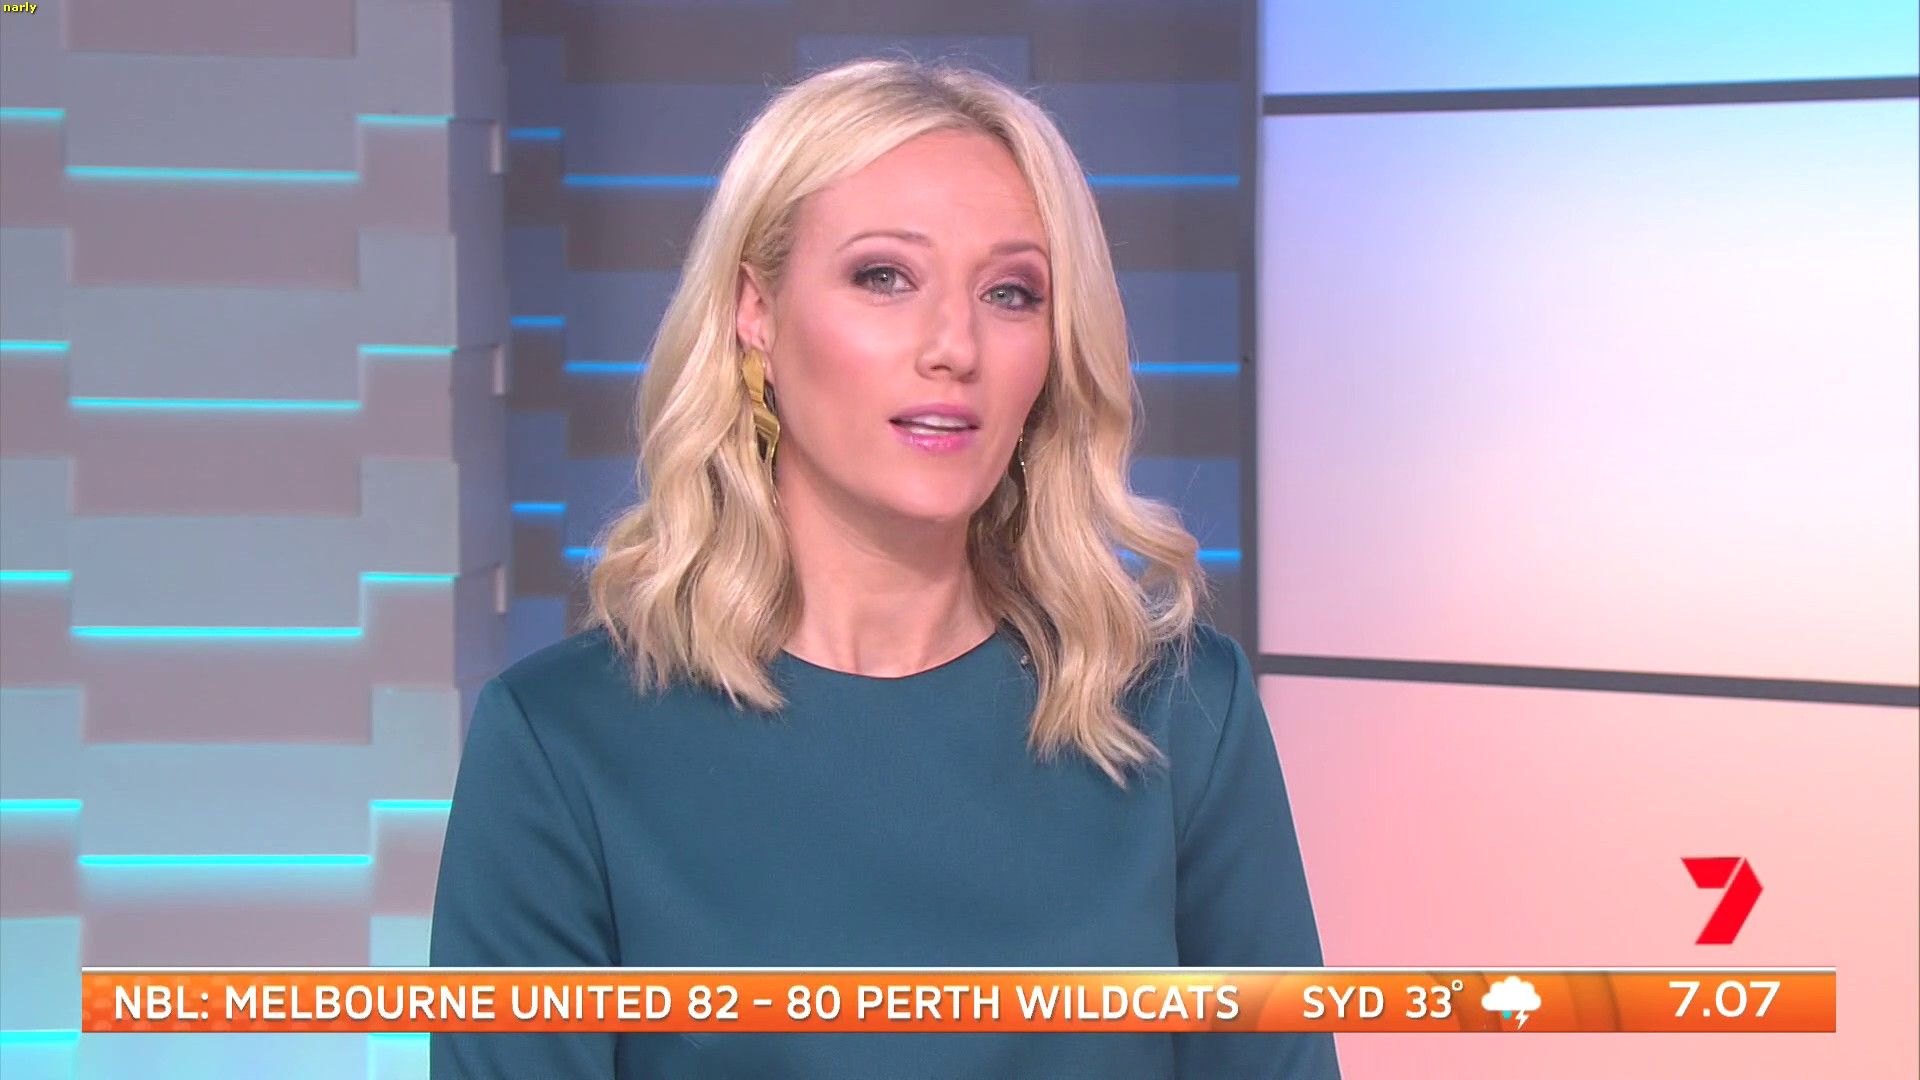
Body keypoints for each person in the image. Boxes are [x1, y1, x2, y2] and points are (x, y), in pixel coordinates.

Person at [429, 56, 1339, 1079]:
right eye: (884, 277)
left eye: (1010, 292)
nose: (954, 346)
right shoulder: (561, 747)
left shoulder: (1181, 715)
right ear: (756, 311)